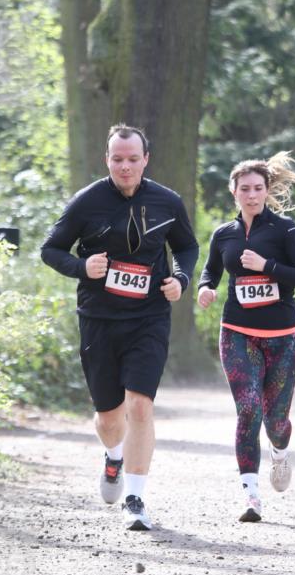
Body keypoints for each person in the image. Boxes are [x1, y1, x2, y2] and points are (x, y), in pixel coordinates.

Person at [41, 125, 199, 532]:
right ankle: (113, 456)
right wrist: (82, 267)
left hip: (148, 317)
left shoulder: (167, 201)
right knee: (109, 418)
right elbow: (51, 249)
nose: (125, 166)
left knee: (140, 406)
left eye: (132, 159)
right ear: (106, 159)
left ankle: (136, 497)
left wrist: (180, 279)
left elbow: (186, 245)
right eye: (117, 159)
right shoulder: (86, 202)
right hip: (99, 319)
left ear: (146, 159)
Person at [197, 152, 295, 523]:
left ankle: (279, 453)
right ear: (233, 192)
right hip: (237, 333)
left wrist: (267, 267)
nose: (252, 195)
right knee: (249, 408)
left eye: (258, 189)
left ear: (267, 191)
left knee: (276, 420)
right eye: (244, 189)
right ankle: (251, 496)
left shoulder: (285, 229)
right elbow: (210, 272)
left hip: (284, 336)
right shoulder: (224, 234)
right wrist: (205, 289)